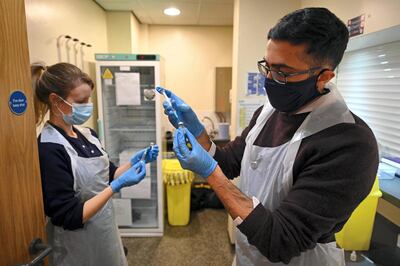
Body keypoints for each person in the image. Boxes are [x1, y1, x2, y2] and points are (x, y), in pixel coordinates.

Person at [162, 7, 379, 266]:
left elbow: (281, 240)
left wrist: (210, 173)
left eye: (282, 72)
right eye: (267, 66)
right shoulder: (268, 111)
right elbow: (230, 161)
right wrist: (198, 133)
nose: (269, 79)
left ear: (324, 77)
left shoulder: (349, 143)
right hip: (248, 255)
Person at [32, 62, 159, 266]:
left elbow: (109, 174)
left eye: (88, 99)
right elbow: (69, 215)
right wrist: (115, 188)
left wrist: (137, 160)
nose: (87, 105)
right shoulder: (50, 148)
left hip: (105, 234)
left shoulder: (87, 135)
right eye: (81, 100)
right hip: (76, 247)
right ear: (56, 100)